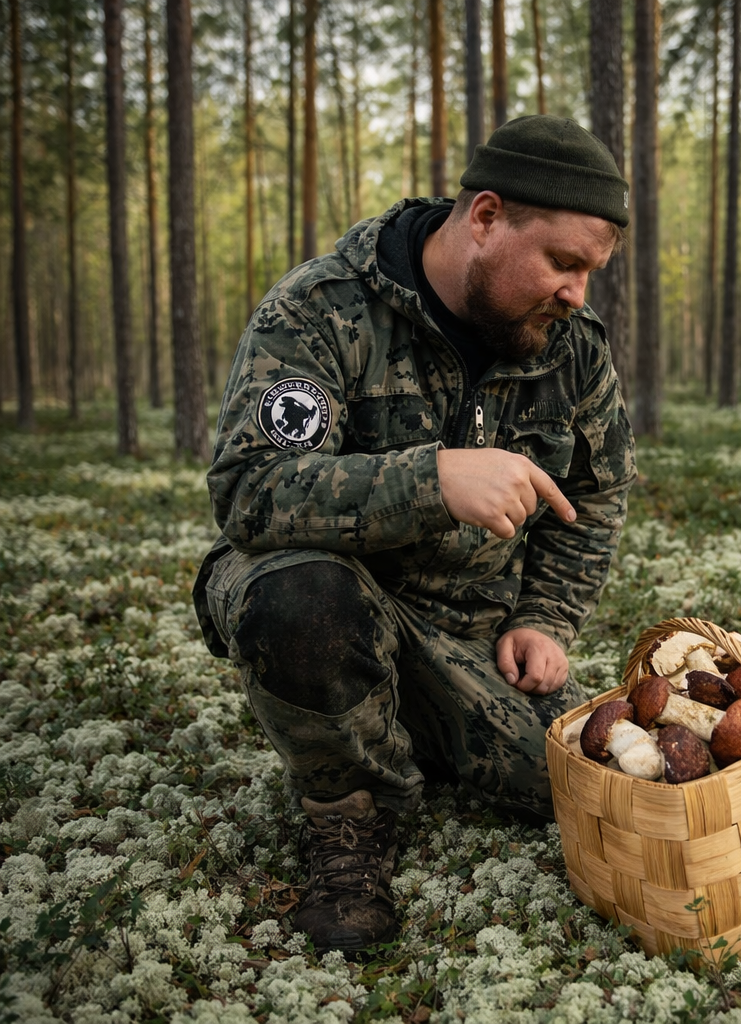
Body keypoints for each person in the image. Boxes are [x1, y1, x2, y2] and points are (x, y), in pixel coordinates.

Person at [192, 115, 637, 955]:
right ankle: (348, 816)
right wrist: (432, 480)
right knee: (298, 599)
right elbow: (250, 490)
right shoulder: (322, 310)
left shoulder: (571, 350)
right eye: (563, 262)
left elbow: (595, 495)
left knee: (580, 786)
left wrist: (544, 619)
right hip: (337, 599)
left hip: (463, 639)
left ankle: (394, 723)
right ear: (487, 217)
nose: (577, 293)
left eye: (591, 272)